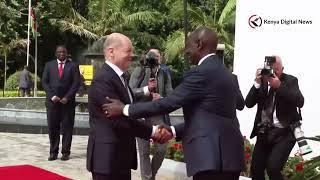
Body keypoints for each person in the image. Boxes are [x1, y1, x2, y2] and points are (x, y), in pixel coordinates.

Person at [103, 27, 245, 180]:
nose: (186, 51)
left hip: (211, 160)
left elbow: (169, 103)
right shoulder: (227, 75)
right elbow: (210, 117)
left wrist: (124, 109)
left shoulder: (201, 73)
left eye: (188, 45)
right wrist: (173, 130)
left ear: (199, 44)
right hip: (231, 159)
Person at [86, 33, 170, 180]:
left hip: (120, 159)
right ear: (111, 52)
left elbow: (128, 108)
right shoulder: (103, 80)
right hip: (107, 160)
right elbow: (118, 119)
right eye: (128, 51)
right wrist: (152, 131)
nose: (132, 55)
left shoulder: (120, 77)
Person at [245, 56, 304, 180]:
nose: (273, 73)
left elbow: (300, 101)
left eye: (276, 70)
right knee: (256, 168)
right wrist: (256, 83)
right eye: (271, 70)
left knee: (273, 167)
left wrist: (279, 86)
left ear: (282, 69)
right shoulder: (262, 81)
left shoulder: (291, 80)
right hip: (265, 131)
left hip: (285, 132)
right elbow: (248, 103)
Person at [130, 48, 173, 180]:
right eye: (151, 55)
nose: (154, 57)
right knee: (144, 151)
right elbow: (130, 91)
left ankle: (151, 175)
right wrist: (147, 90)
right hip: (142, 113)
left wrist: (162, 99)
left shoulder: (164, 72)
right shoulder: (140, 70)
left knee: (161, 149)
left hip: (158, 114)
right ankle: (147, 178)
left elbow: (171, 93)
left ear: (160, 57)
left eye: (157, 55)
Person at [42, 45, 80, 161]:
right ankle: (53, 152)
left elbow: (76, 83)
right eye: (59, 52)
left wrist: (67, 97)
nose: (62, 54)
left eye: (64, 52)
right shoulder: (49, 65)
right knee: (53, 128)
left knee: (67, 128)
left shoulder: (73, 66)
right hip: (52, 103)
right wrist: (52, 96)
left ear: (67, 53)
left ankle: (65, 152)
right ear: (56, 53)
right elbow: (44, 82)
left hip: (67, 103)